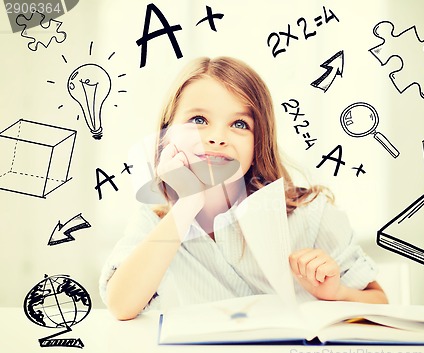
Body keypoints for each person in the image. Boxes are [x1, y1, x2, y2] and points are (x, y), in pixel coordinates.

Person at [100, 56, 387, 321]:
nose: (217, 137)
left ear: (258, 141)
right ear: (167, 135)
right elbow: (121, 305)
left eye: (239, 124)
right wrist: (187, 205)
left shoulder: (310, 214)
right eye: (198, 120)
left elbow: (380, 303)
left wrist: (336, 294)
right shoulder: (156, 222)